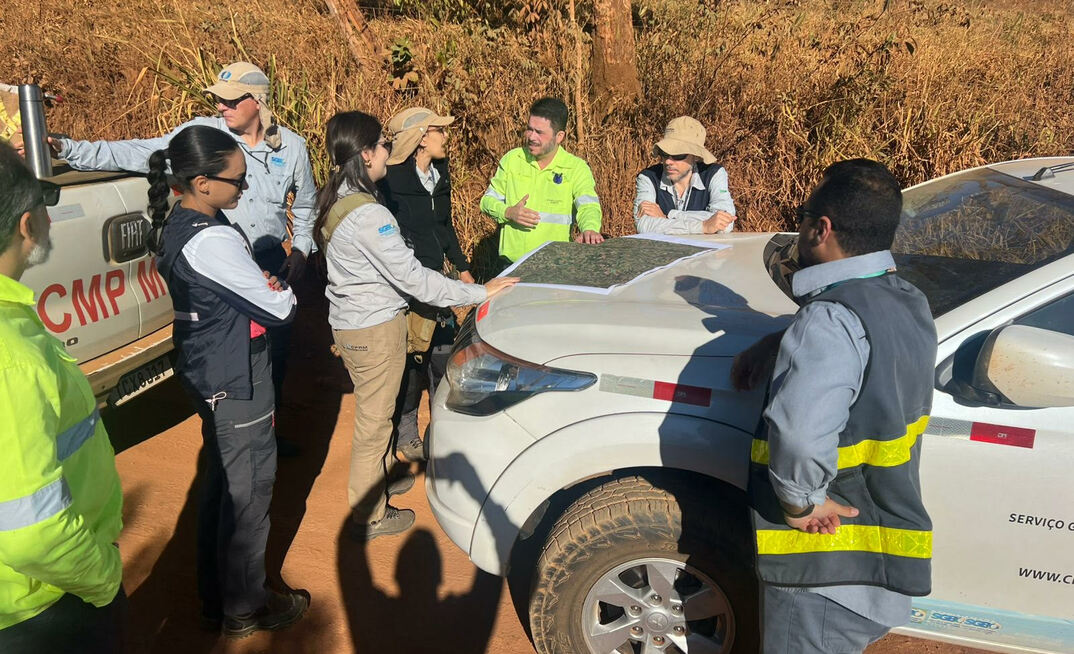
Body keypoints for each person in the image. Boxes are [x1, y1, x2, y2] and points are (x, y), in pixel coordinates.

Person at [45, 62, 314, 456]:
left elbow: (305, 206)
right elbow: (138, 152)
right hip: (220, 271)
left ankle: (266, 435)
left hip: (271, 263)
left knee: (274, 355)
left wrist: (303, 251)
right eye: (217, 99)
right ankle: (225, 446)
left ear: (258, 101)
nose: (221, 106)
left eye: (231, 99)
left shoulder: (292, 147)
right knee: (227, 360)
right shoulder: (202, 140)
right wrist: (69, 149)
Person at [731, 159, 936, 654]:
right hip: (874, 556)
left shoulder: (828, 321)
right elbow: (862, 358)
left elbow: (800, 436)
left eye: (802, 216)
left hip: (825, 570)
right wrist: (784, 340)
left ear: (822, 228)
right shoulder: (907, 299)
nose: (797, 228)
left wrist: (801, 501)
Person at [314, 111, 517, 541]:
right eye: (382, 145)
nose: (388, 151)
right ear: (366, 154)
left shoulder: (339, 195)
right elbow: (415, 279)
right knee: (374, 423)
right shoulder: (372, 216)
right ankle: (369, 513)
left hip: (351, 323)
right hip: (374, 331)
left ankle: (384, 475)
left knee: (381, 412)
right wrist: (481, 292)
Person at [147, 125, 308, 637]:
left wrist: (257, 286)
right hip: (237, 375)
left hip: (208, 364)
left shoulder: (186, 221)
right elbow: (279, 308)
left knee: (222, 483)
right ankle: (246, 606)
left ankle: (217, 594)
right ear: (202, 182)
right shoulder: (214, 239)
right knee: (250, 492)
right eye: (237, 182)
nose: (245, 189)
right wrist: (273, 286)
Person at [0, 141, 125, 652]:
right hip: (40, 606)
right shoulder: (12, 355)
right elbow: (31, 530)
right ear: (27, 224)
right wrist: (104, 581)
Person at [378, 107, 471, 463]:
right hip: (407, 285)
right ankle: (405, 433)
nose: (446, 137)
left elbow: (445, 226)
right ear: (420, 138)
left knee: (442, 357)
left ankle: (440, 433)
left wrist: (461, 268)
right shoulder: (390, 180)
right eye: (439, 131)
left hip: (438, 281)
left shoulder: (439, 173)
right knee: (413, 362)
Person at [480, 97, 603, 267]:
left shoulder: (576, 168)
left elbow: (588, 206)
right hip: (511, 266)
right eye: (529, 129)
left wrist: (590, 229)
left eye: (539, 132)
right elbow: (487, 201)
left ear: (559, 136)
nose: (531, 137)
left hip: (555, 268)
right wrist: (508, 212)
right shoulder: (512, 160)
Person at [633, 116, 737, 235]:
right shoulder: (648, 177)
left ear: (696, 156)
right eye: (664, 154)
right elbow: (644, 226)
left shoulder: (714, 174)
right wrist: (703, 227)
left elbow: (725, 223)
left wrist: (669, 216)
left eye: (678, 155)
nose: (668, 162)